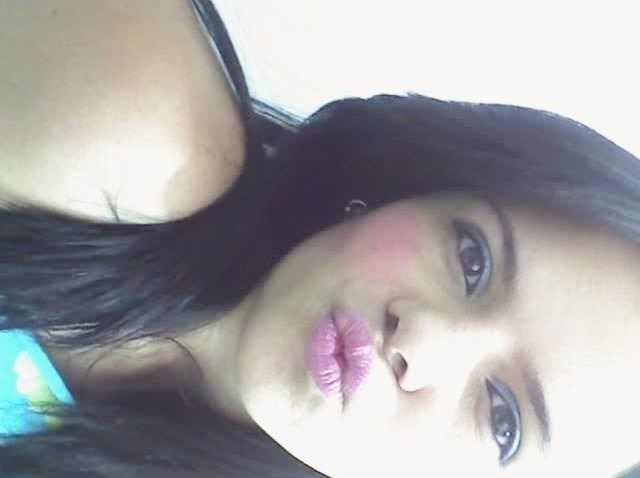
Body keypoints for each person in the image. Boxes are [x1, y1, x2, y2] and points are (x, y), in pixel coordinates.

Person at [1, 1, 639, 477]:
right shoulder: (131, 134)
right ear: (409, 188)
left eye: (503, 421)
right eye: (472, 259)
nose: (423, 339)